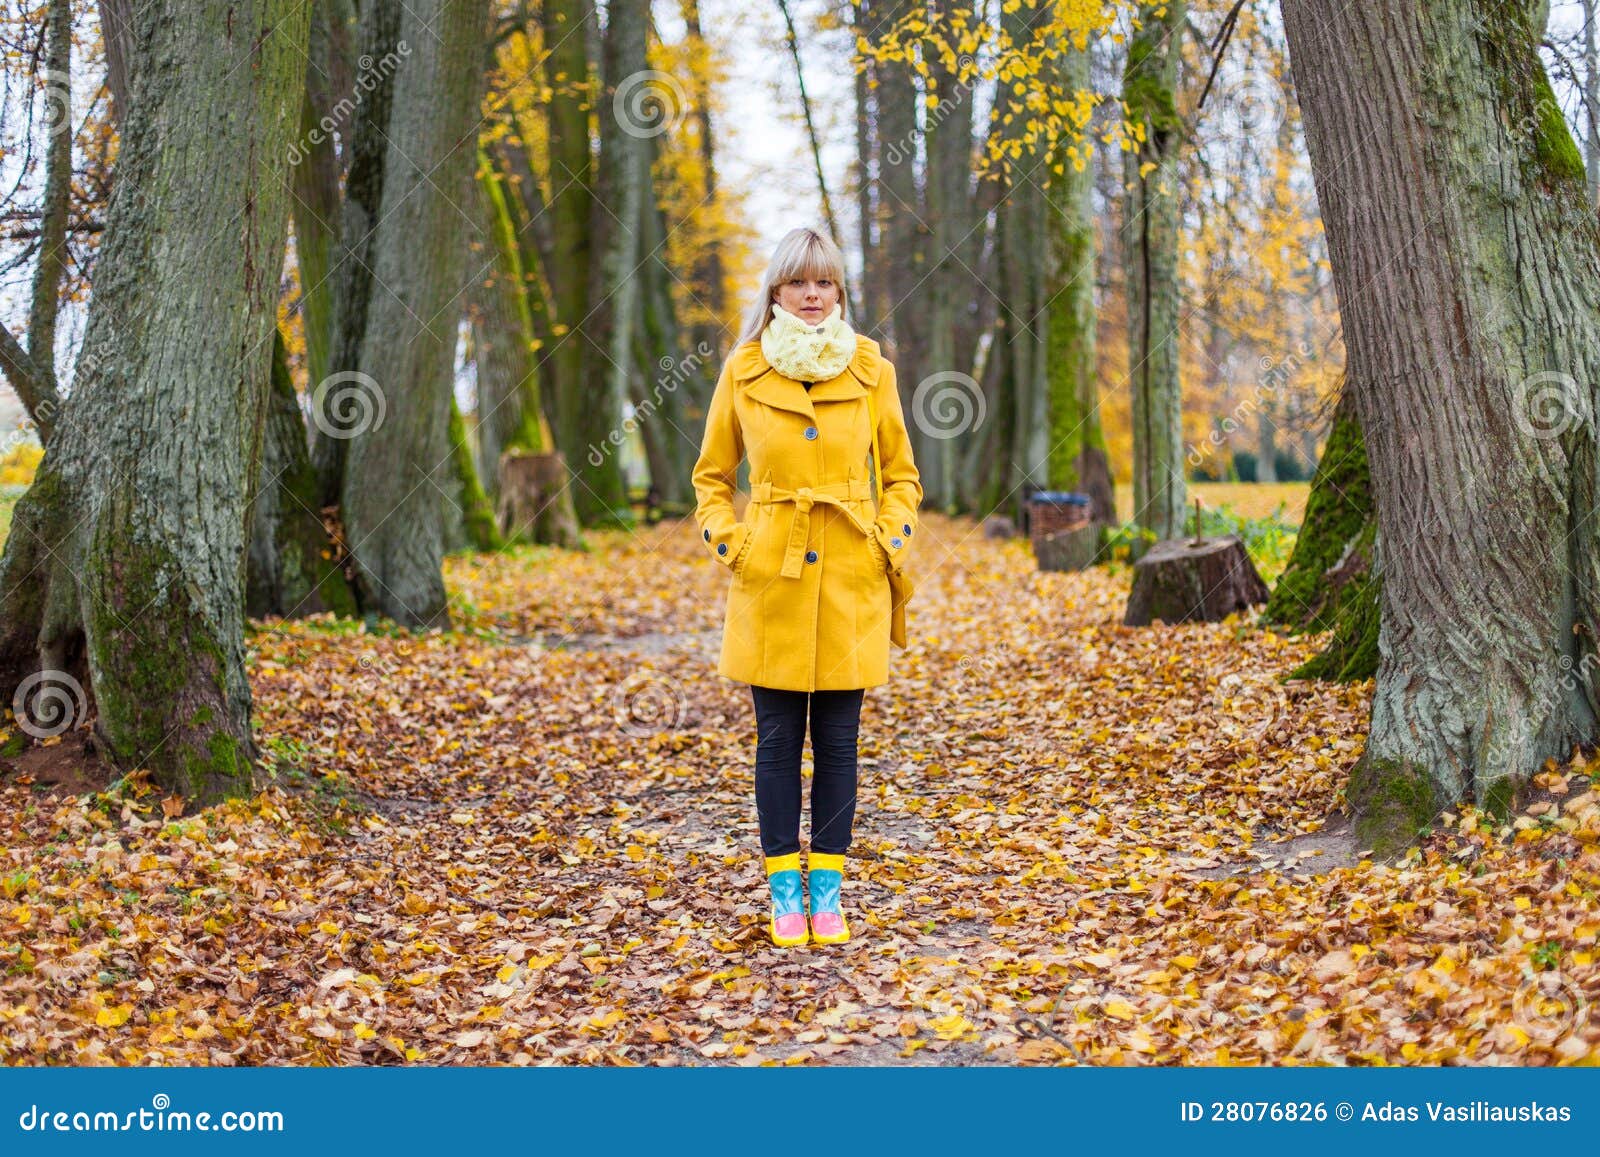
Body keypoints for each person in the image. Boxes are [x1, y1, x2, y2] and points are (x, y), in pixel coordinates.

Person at [691, 226, 924, 947]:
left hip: (853, 575)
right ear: (776, 292)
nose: (813, 294)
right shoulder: (744, 369)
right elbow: (710, 478)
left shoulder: (872, 369)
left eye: (825, 282)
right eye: (798, 282)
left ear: (840, 292)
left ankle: (828, 893)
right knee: (777, 742)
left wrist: (886, 539)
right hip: (772, 576)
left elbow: (903, 477)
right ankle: (783, 893)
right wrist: (734, 543)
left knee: (840, 742)